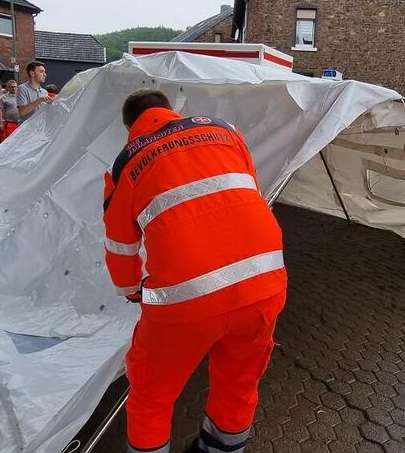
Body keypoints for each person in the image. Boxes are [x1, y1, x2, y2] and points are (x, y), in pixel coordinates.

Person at [103, 90, 287, 453]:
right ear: (172, 111)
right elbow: (246, 194)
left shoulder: (128, 162)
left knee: (152, 394)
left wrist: (130, 290)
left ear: (130, 127)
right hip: (264, 283)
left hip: (186, 300)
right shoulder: (226, 132)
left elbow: (120, 246)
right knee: (239, 381)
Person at [0, 79, 20, 143]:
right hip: (10, 123)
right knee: (10, 141)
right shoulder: (3, 98)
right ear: (8, 88)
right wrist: (0, 123)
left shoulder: (21, 96)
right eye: (12, 87)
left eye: (15, 86)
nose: (14, 88)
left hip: (21, 123)